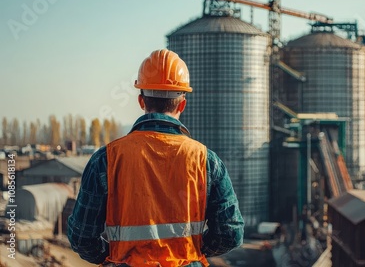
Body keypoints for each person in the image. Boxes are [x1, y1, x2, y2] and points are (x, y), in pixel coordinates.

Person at [68, 49, 244, 266]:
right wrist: (193, 251)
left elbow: (82, 238)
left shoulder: (107, 159)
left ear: (141, 101)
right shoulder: (206, 161)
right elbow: (231, 232)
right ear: (182, 104)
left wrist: (114, 256)